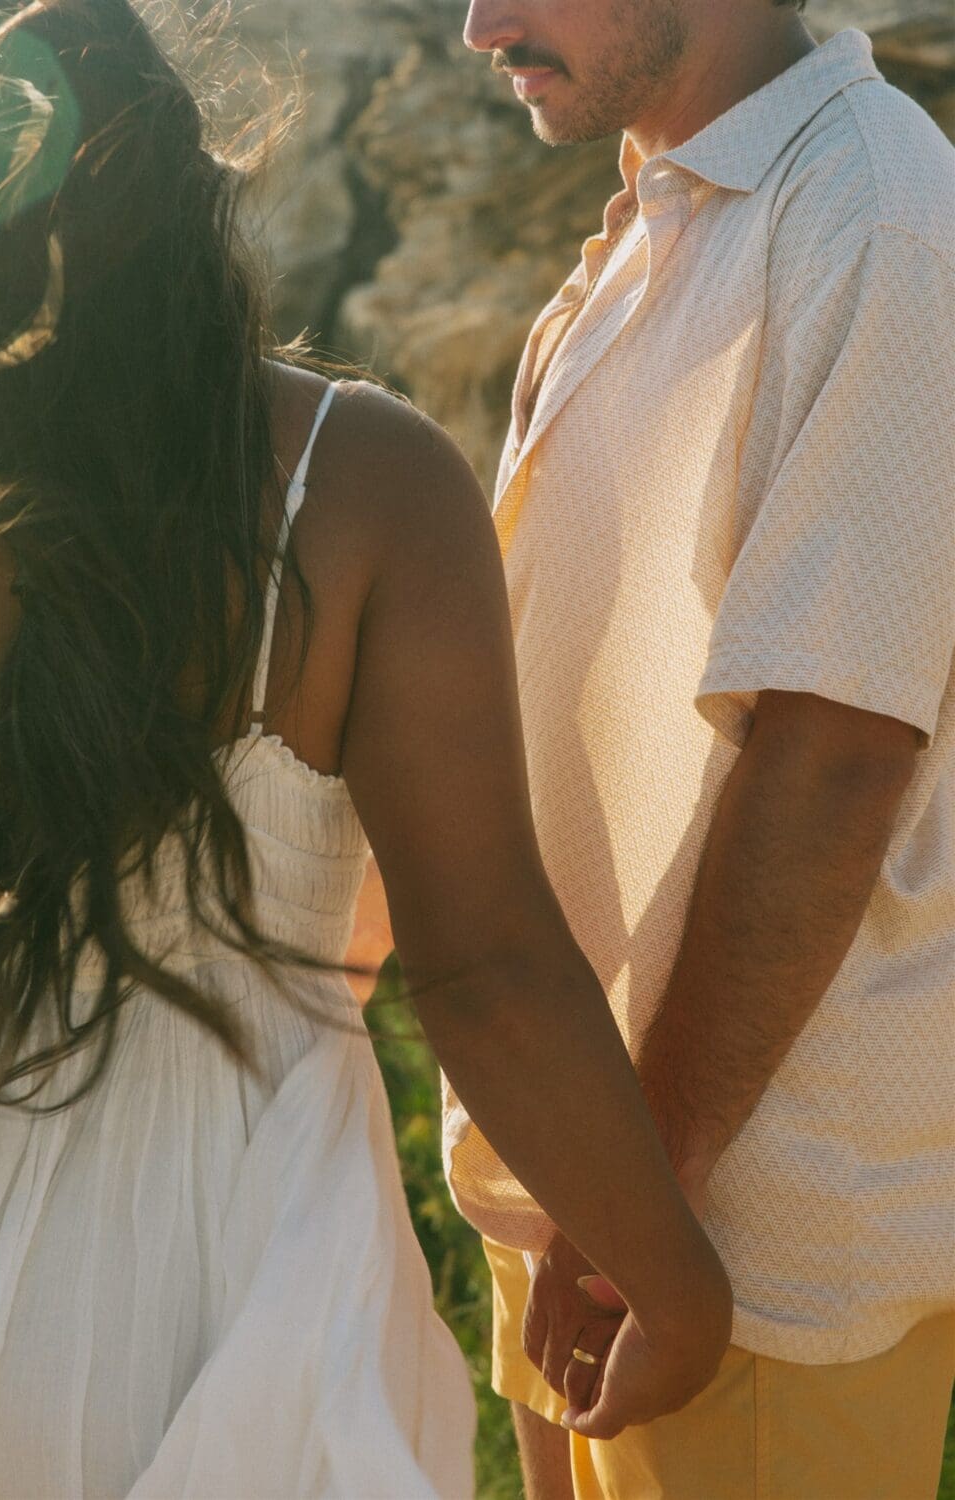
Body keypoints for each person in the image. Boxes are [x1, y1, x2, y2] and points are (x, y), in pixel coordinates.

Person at [0, 2, 732, 1495]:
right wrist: (674, 1281)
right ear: (181, 171)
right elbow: (484, 978)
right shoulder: (360, 488)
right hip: (225, 1283)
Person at [446, 0, 955, 1496]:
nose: (479, 24)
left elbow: (835, 752)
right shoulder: (670, 211)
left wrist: (640, 1213)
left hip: (739, 1235)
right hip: (596, 1192)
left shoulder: (874, 224)